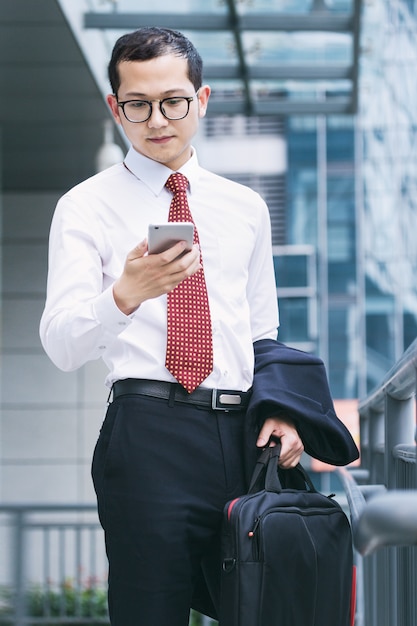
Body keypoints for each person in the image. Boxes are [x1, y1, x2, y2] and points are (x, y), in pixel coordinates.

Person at [39, 27, 328, 626]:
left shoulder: (244, 207)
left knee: (268, 609)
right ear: (116, 108)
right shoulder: (85, 206)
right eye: (138, 105)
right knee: (151, 612)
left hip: (242, 437)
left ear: (201, 99)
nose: (157, 120)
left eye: (172, 101)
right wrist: (124, 296)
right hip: (148, 436)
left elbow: (261, 332)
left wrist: (280, 409)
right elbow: (62, 343)